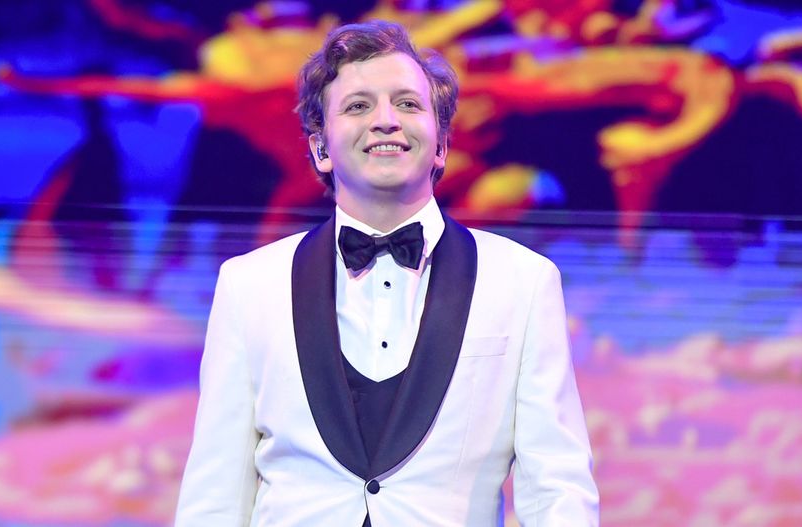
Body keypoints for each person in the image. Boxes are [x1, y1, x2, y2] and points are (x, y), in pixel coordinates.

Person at [174, 20, 599, 527]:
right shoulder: (249, 285)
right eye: (358, 106)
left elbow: (556, 488)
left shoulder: (523, 281)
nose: (385, 121)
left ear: (441, 144)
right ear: (321, 149)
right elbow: (216, 494)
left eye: (407, 104)